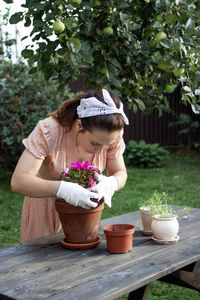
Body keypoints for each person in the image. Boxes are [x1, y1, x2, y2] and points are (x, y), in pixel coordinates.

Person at [11, 88, 129, 243]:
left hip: (85, 216)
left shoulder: (111, 135)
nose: (101, 150)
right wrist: (62, 189)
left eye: (106, 145)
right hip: (46, 214)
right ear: (79, 125)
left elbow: (120, 171)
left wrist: (111, 183)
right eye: (95, 143)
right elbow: (19, 181)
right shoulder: (49, 131)